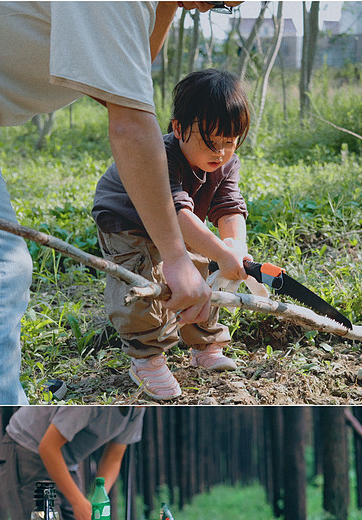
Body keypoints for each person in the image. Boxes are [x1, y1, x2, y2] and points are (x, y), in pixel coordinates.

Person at [0, 2, 228, 404]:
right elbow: (129, 119)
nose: (218, 7)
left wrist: (166, 6)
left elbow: (130, 72)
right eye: (222, 1)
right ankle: (1, 405)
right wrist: (176, 258)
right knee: (0, 267)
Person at [93, 69, 252, 400]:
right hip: (126, 221)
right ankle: (146, 356)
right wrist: (222, 254)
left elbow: (229, 207)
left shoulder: (226, 162)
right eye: (211, 141)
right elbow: (176, 214)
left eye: (230, 142)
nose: (220, 152)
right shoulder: (160, 155)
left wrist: (234, 248)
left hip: (177, 219)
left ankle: (205, 345)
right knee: (142, 281)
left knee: (201, 272)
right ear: (178, 128)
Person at [0, 406, 143, 520]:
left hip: (65, 462)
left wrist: (97, 501)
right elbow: (48, 447)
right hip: (28, 449)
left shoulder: (138, 409)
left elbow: (113, 459)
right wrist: (77, 502)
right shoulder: (92, 402)